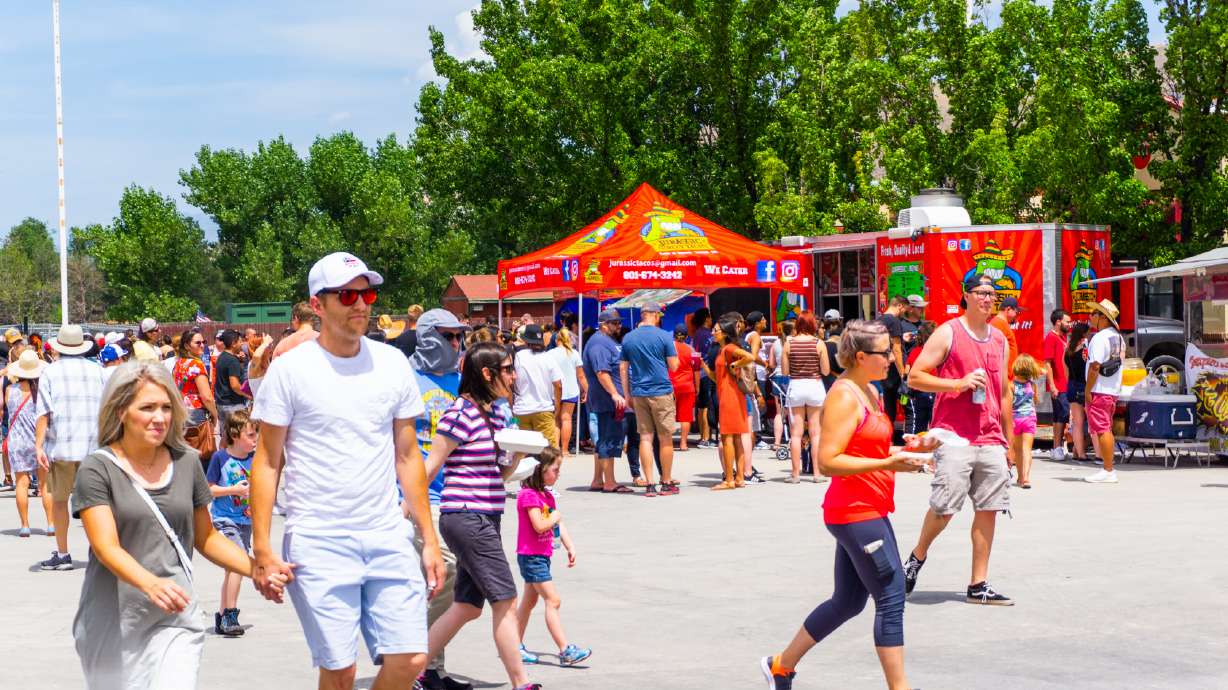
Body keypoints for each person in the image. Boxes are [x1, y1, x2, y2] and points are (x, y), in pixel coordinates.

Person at [250, 251, 445, 690]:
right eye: (347, 295)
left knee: (412, 657)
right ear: (317, 305)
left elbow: (409, 455)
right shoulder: (290, 371)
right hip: (318, 538)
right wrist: (261, 548)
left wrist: (428, 539)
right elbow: (266, 462)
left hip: (386, 533)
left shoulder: (392, 362)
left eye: (367, 293)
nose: (361, 304)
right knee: (340, 671)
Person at [72, 361, 285, 689]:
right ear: (121, 412)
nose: (159, 417)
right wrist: (150, 584)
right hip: (114, 620)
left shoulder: (186, 461)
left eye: (166, 407)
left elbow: (207, 536)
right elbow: (105, 546)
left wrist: (256, 569)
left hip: (176, 618)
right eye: (147, 408)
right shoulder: (97, 469)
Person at [760, 320, 936, 690]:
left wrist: (908, 452)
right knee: (890, 597)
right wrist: (888, 463)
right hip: (855, 511)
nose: (892, 357)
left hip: (868, 507)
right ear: (860, 356)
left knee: (848, 602)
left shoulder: (868, 391)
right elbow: (828, 460)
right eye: (885, 351)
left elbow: (865, 448)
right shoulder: (843, 396)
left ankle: (781, 665)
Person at [423, 342, 541, 690]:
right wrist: (402, 512)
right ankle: (521, 683)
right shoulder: (459, 413)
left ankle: (412, 669)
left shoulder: (498, 414)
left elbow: (496, 476)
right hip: (465, 516)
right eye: (507, 369)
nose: (514, 375)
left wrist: (517, 458)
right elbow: (431, 466)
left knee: (467, 606)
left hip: (486, 515)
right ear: (487, 374)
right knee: (505, 598)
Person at [903, 274, 1015, 606]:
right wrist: (957, 384)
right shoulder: (948, 332)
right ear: (965, 296)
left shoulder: (1000, 339)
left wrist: (1010, 442)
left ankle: (977, 583)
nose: (987, 298)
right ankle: (917, 556)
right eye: (981, 292)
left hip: (991, 436)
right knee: (944, 508)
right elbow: (916, 376)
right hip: (954, 436)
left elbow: (1005, 393)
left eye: (992, 294)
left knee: (990, 508)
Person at [409, 308, 473, 690]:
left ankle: (430, 666)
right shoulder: (405, 378)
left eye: (458, 337)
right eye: (448, 336)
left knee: (446, 582)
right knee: (443, 571)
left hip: (460, 493)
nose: (455, 344)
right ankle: (417, 662)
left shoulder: (461, 381)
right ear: (429, 336)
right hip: (417, 495)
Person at [34, 324, 109, 571]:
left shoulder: (50, 372)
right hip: (94, 447)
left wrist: (38, 446)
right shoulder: (97, 371)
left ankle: (63, 553)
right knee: (95, 503)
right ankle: (101, 552)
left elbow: (44, 413)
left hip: (63, 446)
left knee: (59, 501)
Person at [514, 447, 591, 667]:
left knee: (529, 602)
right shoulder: (528, 496)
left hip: (541, 555)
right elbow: (540, 525)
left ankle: (514, 645)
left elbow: (557, 524)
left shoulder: (546, 495)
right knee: (553, 600)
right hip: (531, 557)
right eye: (555, 470)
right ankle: (565, 650)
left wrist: (570, 545)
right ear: (540, 470)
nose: (558, 474)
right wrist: (556, 516)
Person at [206, 409, 259, 637]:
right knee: (238, 564)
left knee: (232, 569)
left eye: (256, 434)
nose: (255, 439)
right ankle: (230, 614)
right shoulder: (221, 458)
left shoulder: (254, 459)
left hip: (245, 520)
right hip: (226, 520)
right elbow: (209, 489)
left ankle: (221, 617)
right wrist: (233, 490)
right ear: (235, 435)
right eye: (250, 435)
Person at [619, 302, 680, 496]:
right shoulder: (664, 336)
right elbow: (674, 366)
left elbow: (623, 368)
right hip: (661, 391)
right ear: (654, 315)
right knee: (665, 437)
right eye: (659, 315)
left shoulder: (628, 338)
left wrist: (627, 394)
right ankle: (667, 481)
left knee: (645, 437)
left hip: (638, 392)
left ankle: (650, 484)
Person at [583, 309, 633, 493]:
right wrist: (615, 393)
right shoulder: (599, 344)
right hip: (607, 401)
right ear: (604, 325)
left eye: (619, 322)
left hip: (609, 400)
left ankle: (598, 480)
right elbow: (602, 372)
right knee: (608, 440)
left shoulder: (606, 341)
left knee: (605, 439)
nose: (619, 326)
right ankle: (610, 482)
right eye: (615, 323)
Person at [6, 349, 51, 537]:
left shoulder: (10, 390)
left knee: (21, 484)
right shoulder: (41, 391)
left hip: (17, 442)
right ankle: (51, 524)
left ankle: (24, 525)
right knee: (45, 485)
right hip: (39, 441)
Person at [783, 311, 831, 484]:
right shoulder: (819, 344)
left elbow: (785, 371)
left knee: (796, 434)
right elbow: (825, 371)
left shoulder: (789, 343)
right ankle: (817, 473)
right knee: (816, 432)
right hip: (815, 386)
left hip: (796, 385)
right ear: (812, 324)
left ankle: (795, 474)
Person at [1083, 299, 1124, 484]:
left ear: (1103, 318)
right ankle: (1108, 468)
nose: (1090, 317)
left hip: (1099, 389)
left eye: (1094, 314)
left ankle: (1108, 469)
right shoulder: (1118, 337)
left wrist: (1087, 390)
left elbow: (1095, 366)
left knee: (1102, 429)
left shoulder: (1099, 338)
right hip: (1111, 389)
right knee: (1105, 428)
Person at [713, 317, 753, 490]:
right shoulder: (724, 349)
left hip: (729, 395)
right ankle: (739, 478)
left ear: (725, 333)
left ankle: (729, 479)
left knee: (727, 436)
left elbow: (749, 356)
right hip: (733, 394)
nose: (713, 333)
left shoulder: (729, 348)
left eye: (716, 330)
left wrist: (736, 363)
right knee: (736, 437)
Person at [513, 324, 564, 449]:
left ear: (525, 340)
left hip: (521, 411)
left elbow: (511, 381)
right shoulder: (548, 357)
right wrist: (557, 406)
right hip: (544, 409)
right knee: (548, 452)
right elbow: (558, 385)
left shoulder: (518, 357)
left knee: (523, 452)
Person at [549, 329, 587, 458]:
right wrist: (587, 390)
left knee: (555, 420)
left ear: (557, 340)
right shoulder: (574, 353)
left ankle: (555, 450)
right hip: (571, 390)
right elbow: (581, 376)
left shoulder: (550, 353)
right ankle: (565, 450)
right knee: (566, 419)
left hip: (555, 390)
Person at [877, 296, 908, 444]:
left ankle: (885, 439)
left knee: (887, 407)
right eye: (905, 310)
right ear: (900, 306)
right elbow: (896, 349)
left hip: (881, 369)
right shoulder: (894, 321)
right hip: (894, 373)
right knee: (904, 404)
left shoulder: (879, 320)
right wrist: (903, 373)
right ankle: (898, 440)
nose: (904, 313)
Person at [172, 330, 219, 428]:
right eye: (198, 343)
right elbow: (207, 397)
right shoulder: (196, 364)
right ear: (186, 346)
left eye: (204, 342)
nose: (202, 345)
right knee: (200, 443)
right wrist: (215, 415)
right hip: (195, 413)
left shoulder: (179, 363)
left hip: (179, 412)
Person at [1042, 310, 1073, 460]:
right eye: (1067, 321)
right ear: (1058, 322)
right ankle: (1057, 447)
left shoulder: (1063, 337)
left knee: (1060, 416)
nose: (1069, 324)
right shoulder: (1051, 338)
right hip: (1059, 384)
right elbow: (1047, 363)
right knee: (1062, 415)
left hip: (1066, 383)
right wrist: (1052, 385)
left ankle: (1057, 447)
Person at [1010, 354, 1043, 489]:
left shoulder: (1011, 385)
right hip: (1029, 418)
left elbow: (1009, 403)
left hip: (1015, 419)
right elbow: (1036, 401)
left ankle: (1019, 477)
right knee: (1027, 450)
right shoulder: (1032, 385)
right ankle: (1026, 478)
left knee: (1017, 451)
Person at [214, 330, 250, 442]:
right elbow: (235, 385)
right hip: (233, 405)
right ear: (233, 343)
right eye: (240, 342)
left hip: (221, 403)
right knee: (238, 438)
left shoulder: (221, 357)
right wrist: (248, 395)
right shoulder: (232, 360)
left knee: (225, 438)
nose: (242, 344)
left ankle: (222, 458)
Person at [902, 321, 937, 436]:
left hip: (919, 393)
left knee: (919, 426)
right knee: (935, 425)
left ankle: (919, 448)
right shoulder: (937, 352)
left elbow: (907, 371)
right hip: (935, 391)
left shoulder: (915, 351)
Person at [1065, 322, 1092, 463]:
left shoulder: (1068, 348)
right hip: (1083, 385)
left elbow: (1066, 371)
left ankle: (1076, 451)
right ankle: (1082, 454)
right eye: (1088, 332)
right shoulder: (1085, 348)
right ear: (1084, 333)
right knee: (1086, 422)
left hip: (1071, 385)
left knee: (1077, 422)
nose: (1089, 334)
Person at [670, 323, 700, 452]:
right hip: (687, 386)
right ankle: (683, 444)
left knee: (668, 415)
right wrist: (697, 387)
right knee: (686, 416)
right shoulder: (692, 350)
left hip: (670, 386)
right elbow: (697, 370)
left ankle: (668, 443)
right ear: (687, 336)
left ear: (673, 335)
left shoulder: (668, 348)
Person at [690, 309, 716, 448]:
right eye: (711, 318)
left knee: (701, 406)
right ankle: (706, 438)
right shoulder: (708, 335)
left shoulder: (696, 334)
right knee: (705, 406)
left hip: (699, 373)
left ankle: (703, 436)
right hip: (707, 373)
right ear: (707, 319)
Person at [768, 321, 794, 452]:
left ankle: (777, 442)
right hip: (792, 377)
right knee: (793, 413)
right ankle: (793, 442)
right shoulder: (795, 342)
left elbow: (771, 364)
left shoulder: (775, 344)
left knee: (779, 413)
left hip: (778, 378)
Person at [990, 296, 1022, 372]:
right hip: (1004, 377)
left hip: (1008, 376)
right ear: (1008, 309)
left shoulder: (1001, 323)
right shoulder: (998, 323)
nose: (1017, 316)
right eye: (1016, 312)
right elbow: (994, 354)